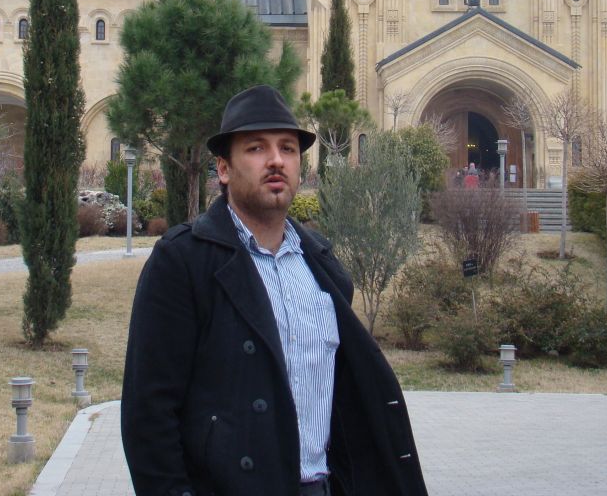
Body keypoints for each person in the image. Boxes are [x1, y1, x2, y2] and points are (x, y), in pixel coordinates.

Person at [121, 85, 429, 496]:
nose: (276, 161)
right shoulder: (183, 262)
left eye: (287, 148)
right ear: (224, 169)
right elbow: (149, 414)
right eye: (255, 148)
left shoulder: (323, 267)